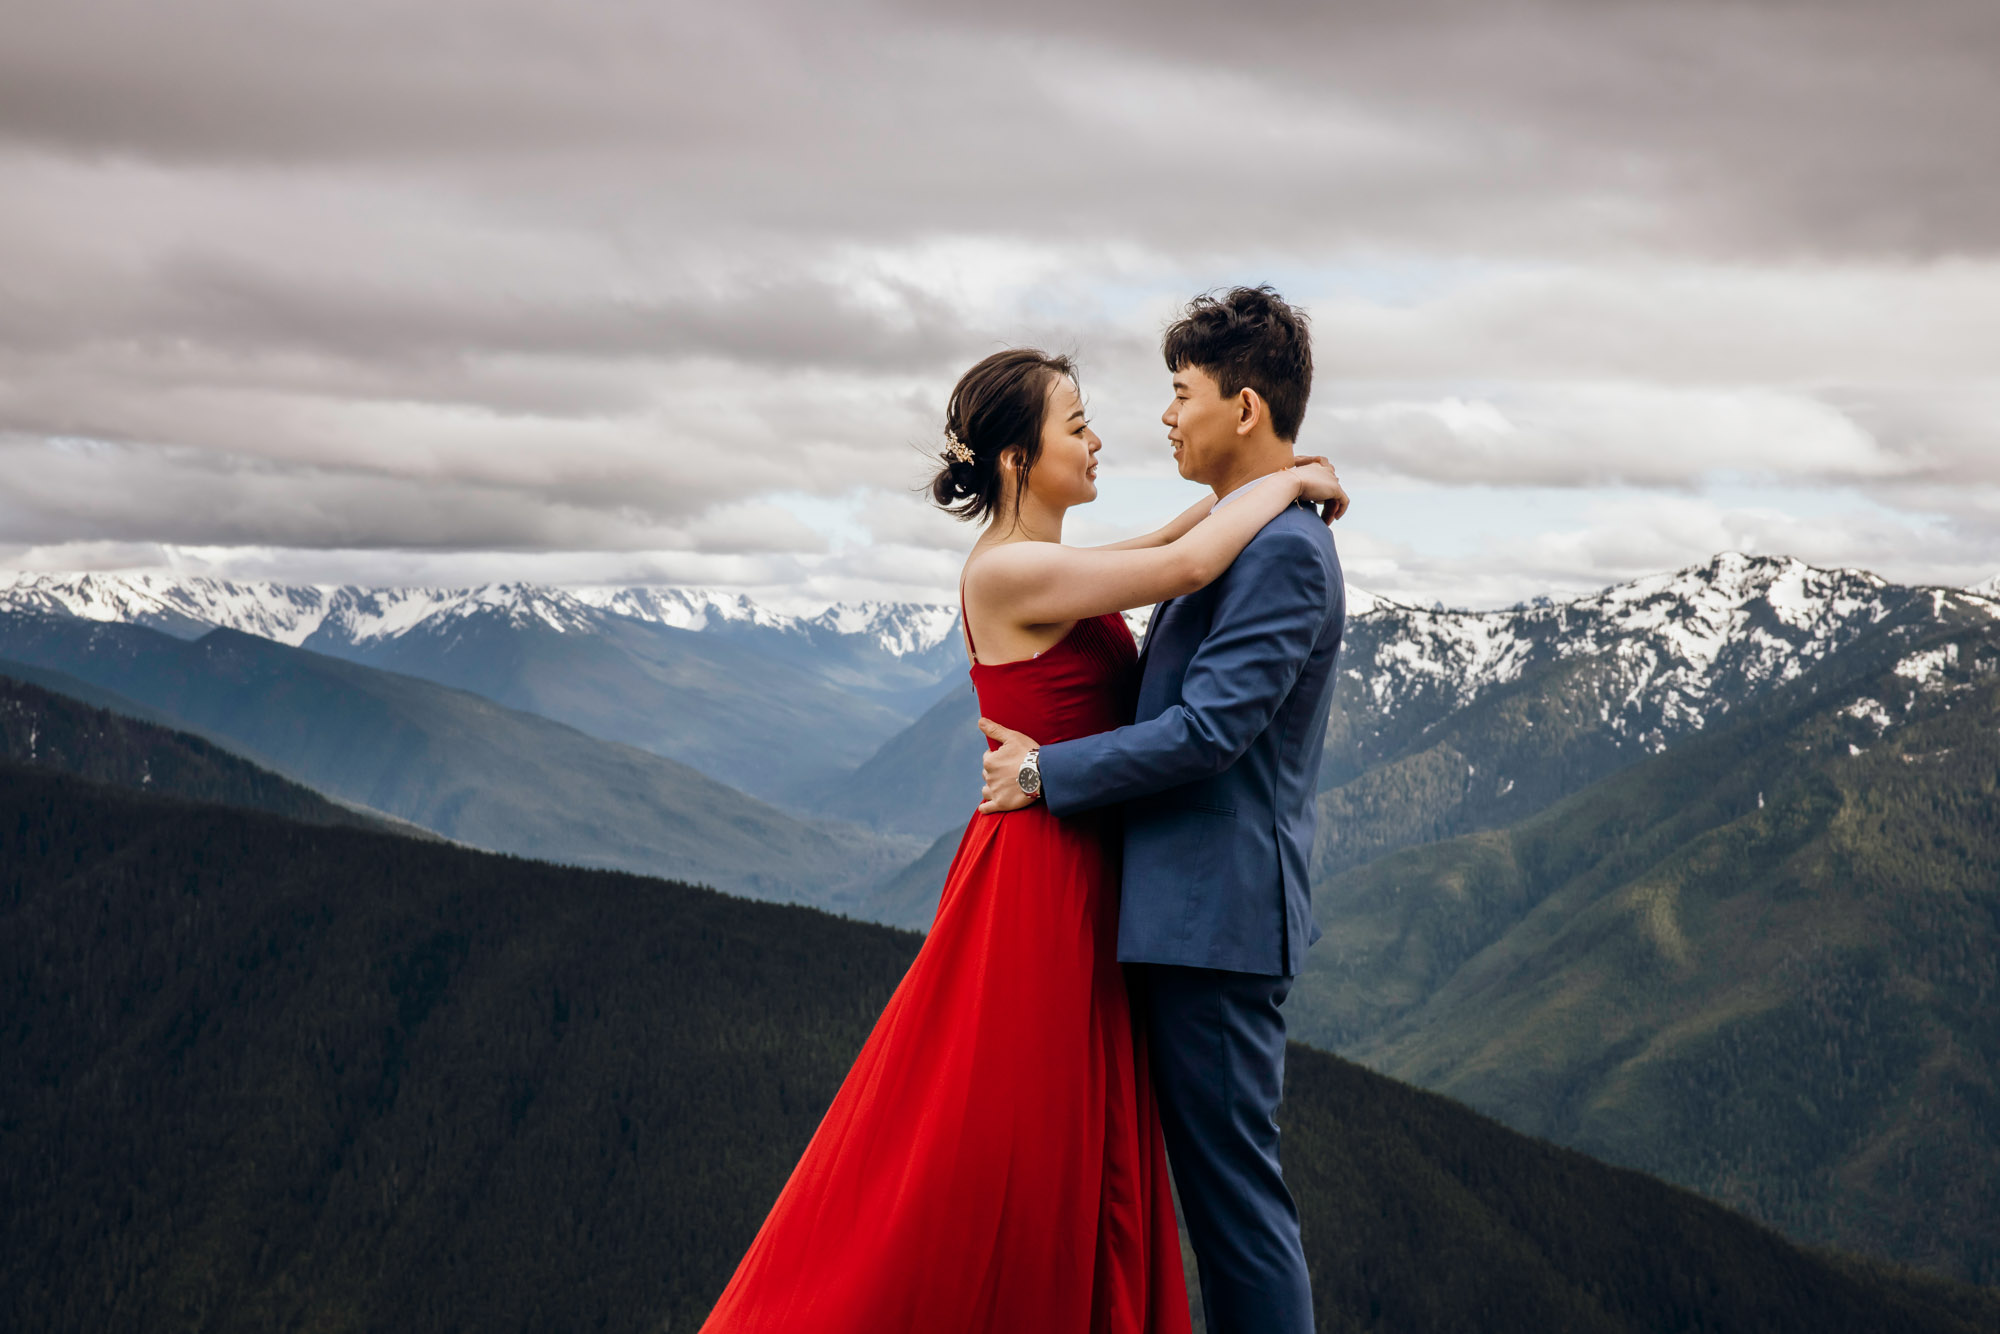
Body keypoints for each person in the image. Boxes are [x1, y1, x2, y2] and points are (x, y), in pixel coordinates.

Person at [698, 333, 1347, 1332]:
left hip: (1088, 861)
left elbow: (1172, 549)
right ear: (1016, 459)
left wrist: (1278, 483)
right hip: (1042, 869)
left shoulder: (1044, 563)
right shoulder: (1004, 575)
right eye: (1075, 425)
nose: (1101, 439)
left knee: (1082, 1149)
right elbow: (1182, 560)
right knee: (1021, 1137)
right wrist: (1297, 478)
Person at [978, 286, 1344, 1334]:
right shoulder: (1253, 533)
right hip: (1178, 916)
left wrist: (1047, 774)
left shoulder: (1278, 551)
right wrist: (1287, 483)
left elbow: (1208, 732)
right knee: (1202, 1194)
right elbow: (1175, 552)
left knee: (1233, 1206)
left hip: (1213, 925)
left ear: (1240, 408)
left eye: (1177, 393)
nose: (1163, 415)